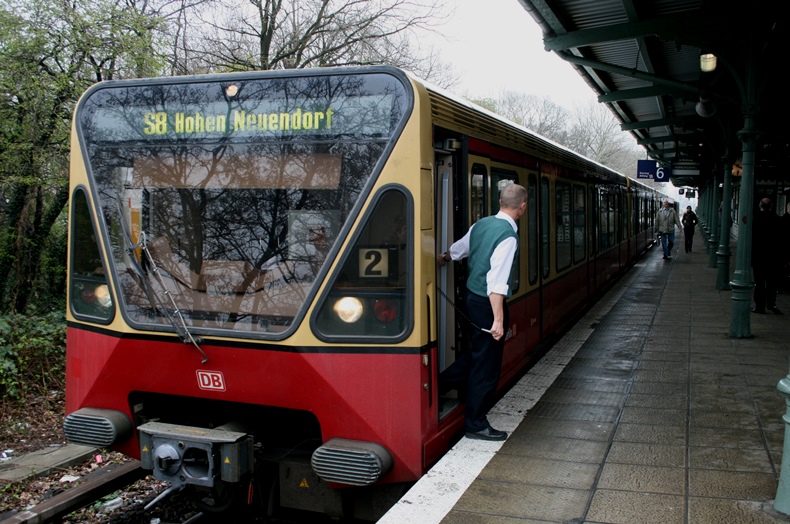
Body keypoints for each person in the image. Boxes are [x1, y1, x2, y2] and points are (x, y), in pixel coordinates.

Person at [436, 183, 527, 441]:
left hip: (471, 299)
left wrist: (443, 257)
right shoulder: (508, 237)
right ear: (522, 207)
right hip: (487, 304)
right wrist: (498, 320)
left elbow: (460, 249)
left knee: (478, 353)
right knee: (486, 366)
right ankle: (475, 423)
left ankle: (439, 384)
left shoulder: (481, 225)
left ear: (500, 201)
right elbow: (496, 283)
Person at [752, 197, 782, 314]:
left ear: (760, 206)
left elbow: (752, 239)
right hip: (773, 257)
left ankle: (759, 305)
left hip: (759, 256)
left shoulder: (756, 219)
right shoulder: (777, 220)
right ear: (771, 207)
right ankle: (771, 303)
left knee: (759, 282)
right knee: (771, 282)